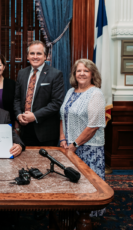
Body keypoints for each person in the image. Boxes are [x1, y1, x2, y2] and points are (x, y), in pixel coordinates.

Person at [60, 59, 106, 217]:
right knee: (71, 183)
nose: (82, 74)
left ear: (92, 74)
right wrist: (62, 139)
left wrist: (74, 144)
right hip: (68, 147)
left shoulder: (96, 94)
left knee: (88, 186)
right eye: (78, 71)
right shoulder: (70, 92)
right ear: (74, 74)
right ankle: (72, 213)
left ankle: (86, 218)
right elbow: (62, 117)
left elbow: (93, 126)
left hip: (88, 149)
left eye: (86, 71)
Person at [14, 40, 64, 146]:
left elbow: (56, 103)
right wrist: (18, 115)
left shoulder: (55, 74)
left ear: (45, 56)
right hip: (25, 130)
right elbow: (17, 98)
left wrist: (35, 116)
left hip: (45, 133)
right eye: (32, 53)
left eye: (39, 53)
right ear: (27, 56)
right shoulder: (21, 73)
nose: (35, 56)